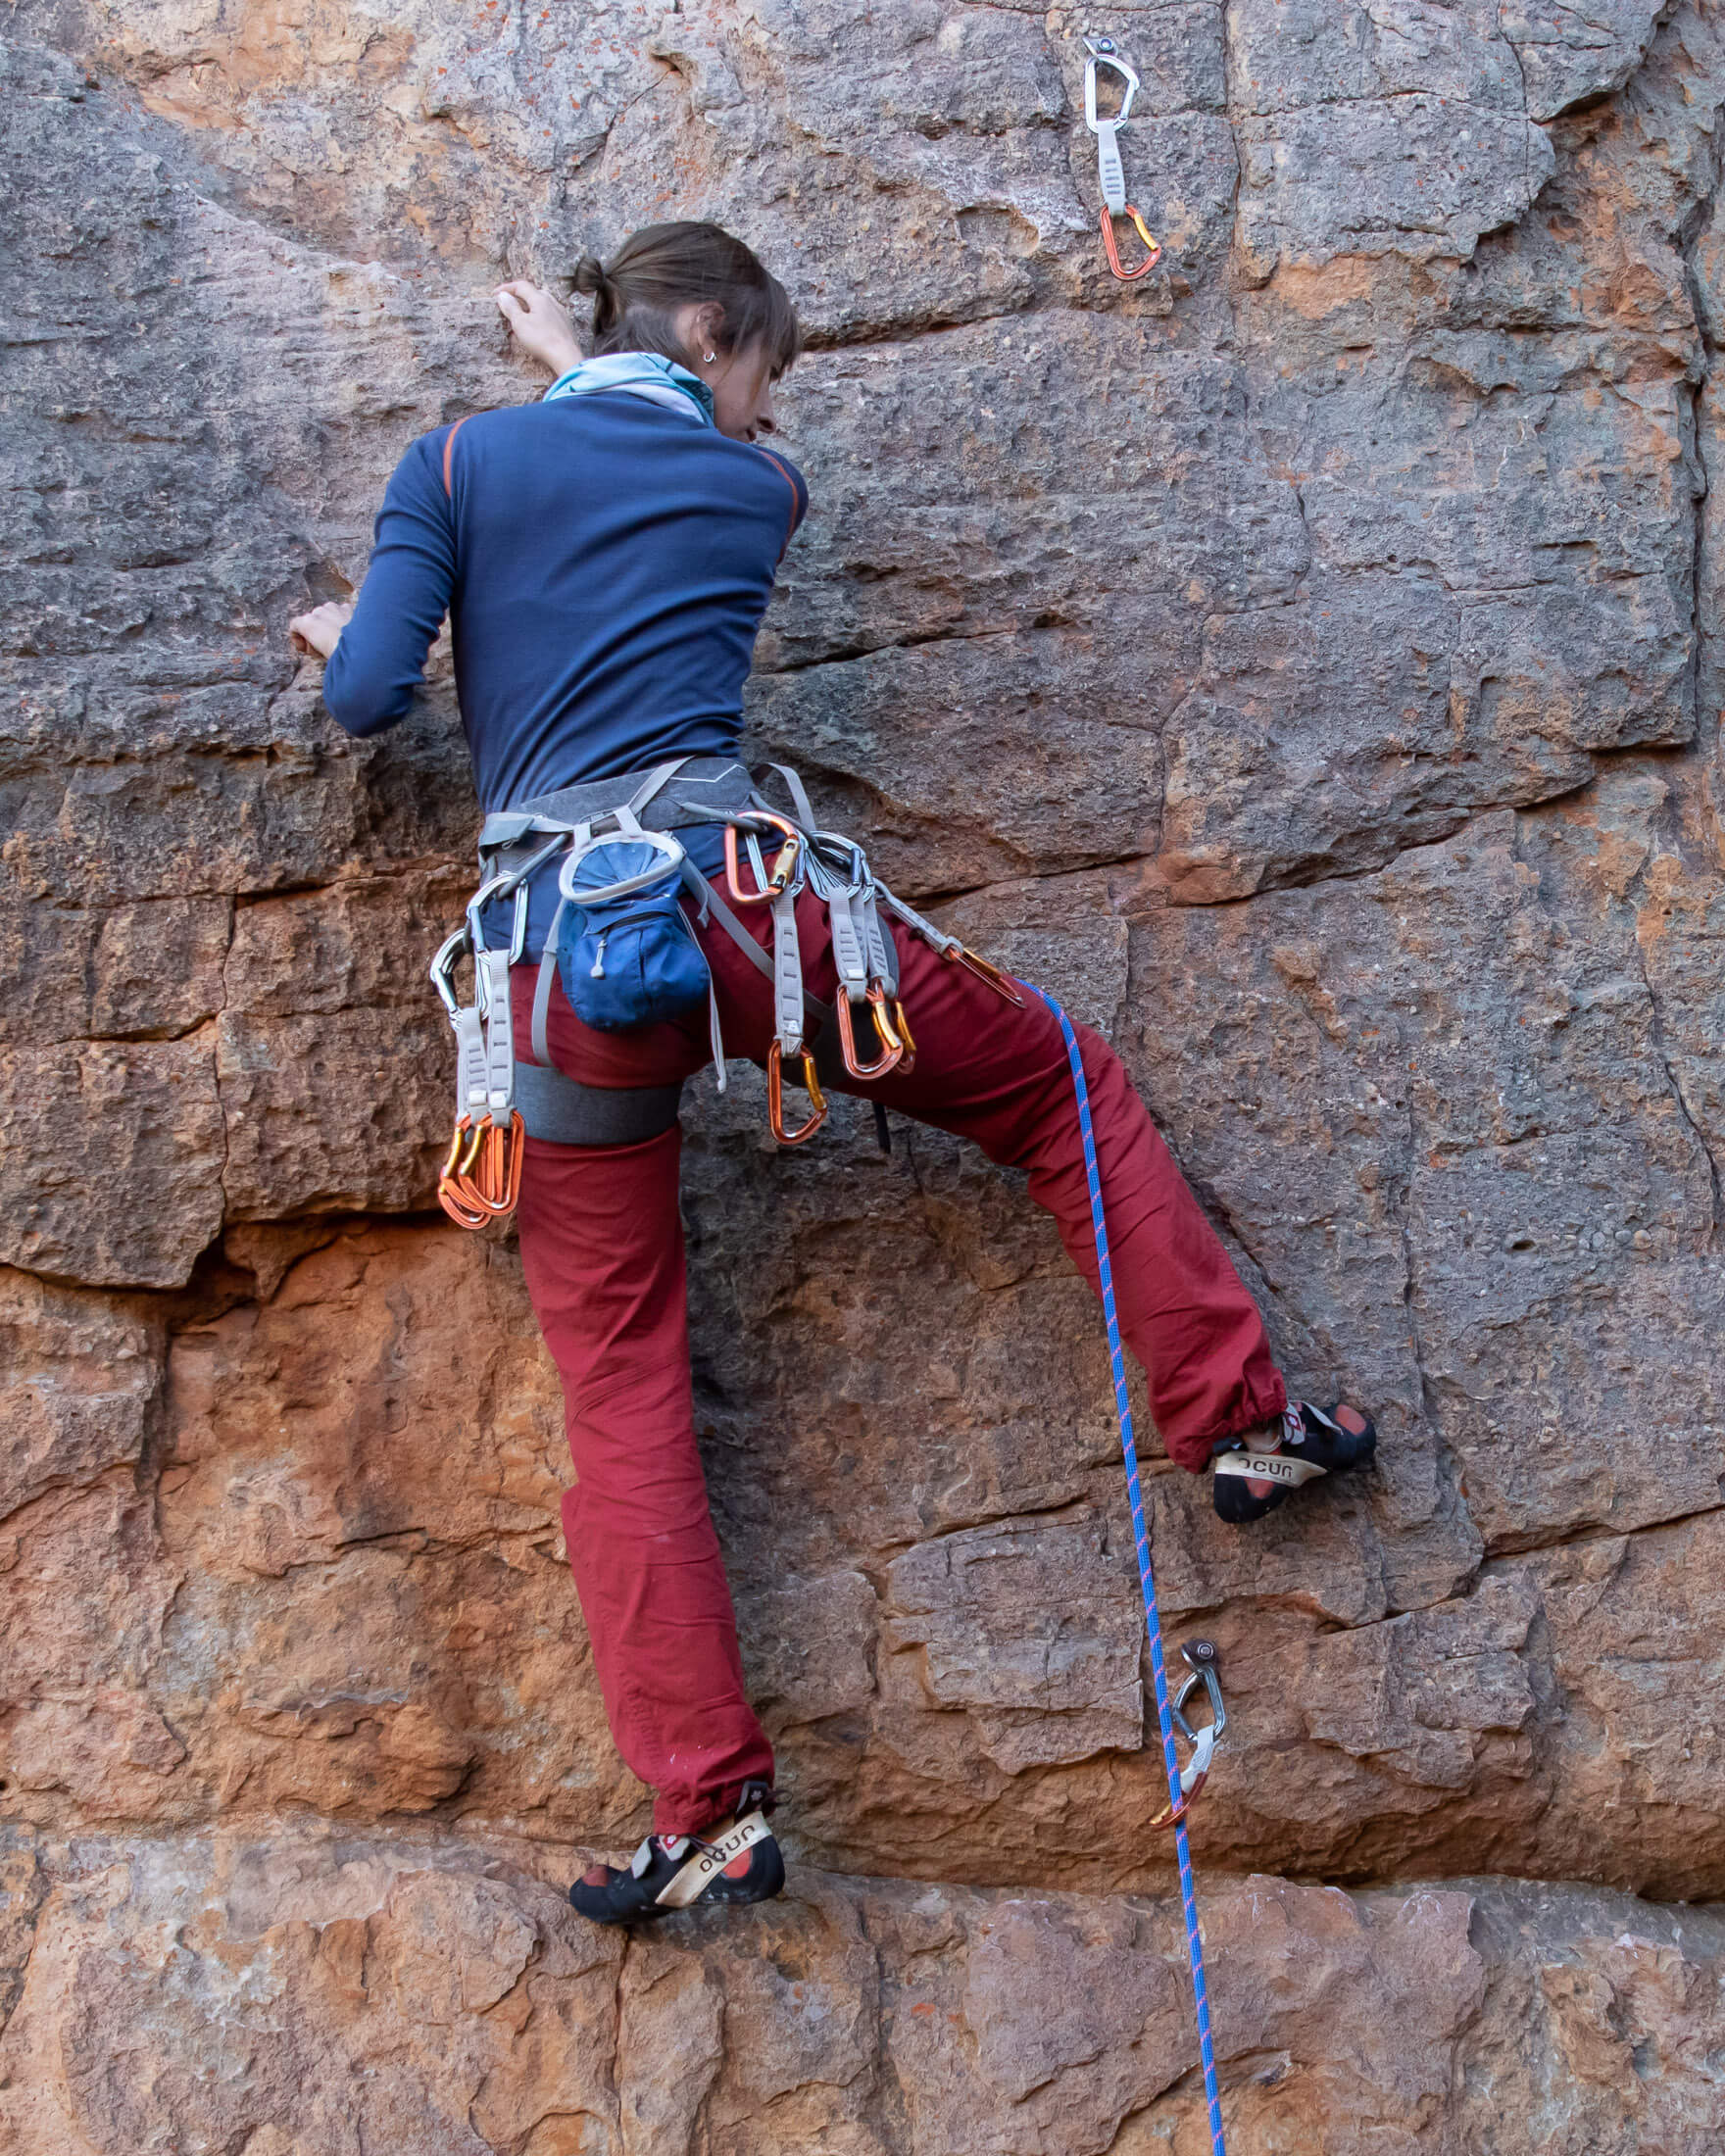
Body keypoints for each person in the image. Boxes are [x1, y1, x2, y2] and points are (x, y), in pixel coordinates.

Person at [288, 221, 1376, 1929]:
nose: (755, 410)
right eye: (754, 374)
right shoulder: (757, 495)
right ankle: (1242, 1427)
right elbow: (668, 456)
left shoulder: (458, 464)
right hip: (753, 920)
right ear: (712, 336)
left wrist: (358, 608)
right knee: (1053, 1089)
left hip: (553, 971)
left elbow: (368, 695)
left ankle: (708, 1811)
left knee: (621, 1380)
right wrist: (590, 376)